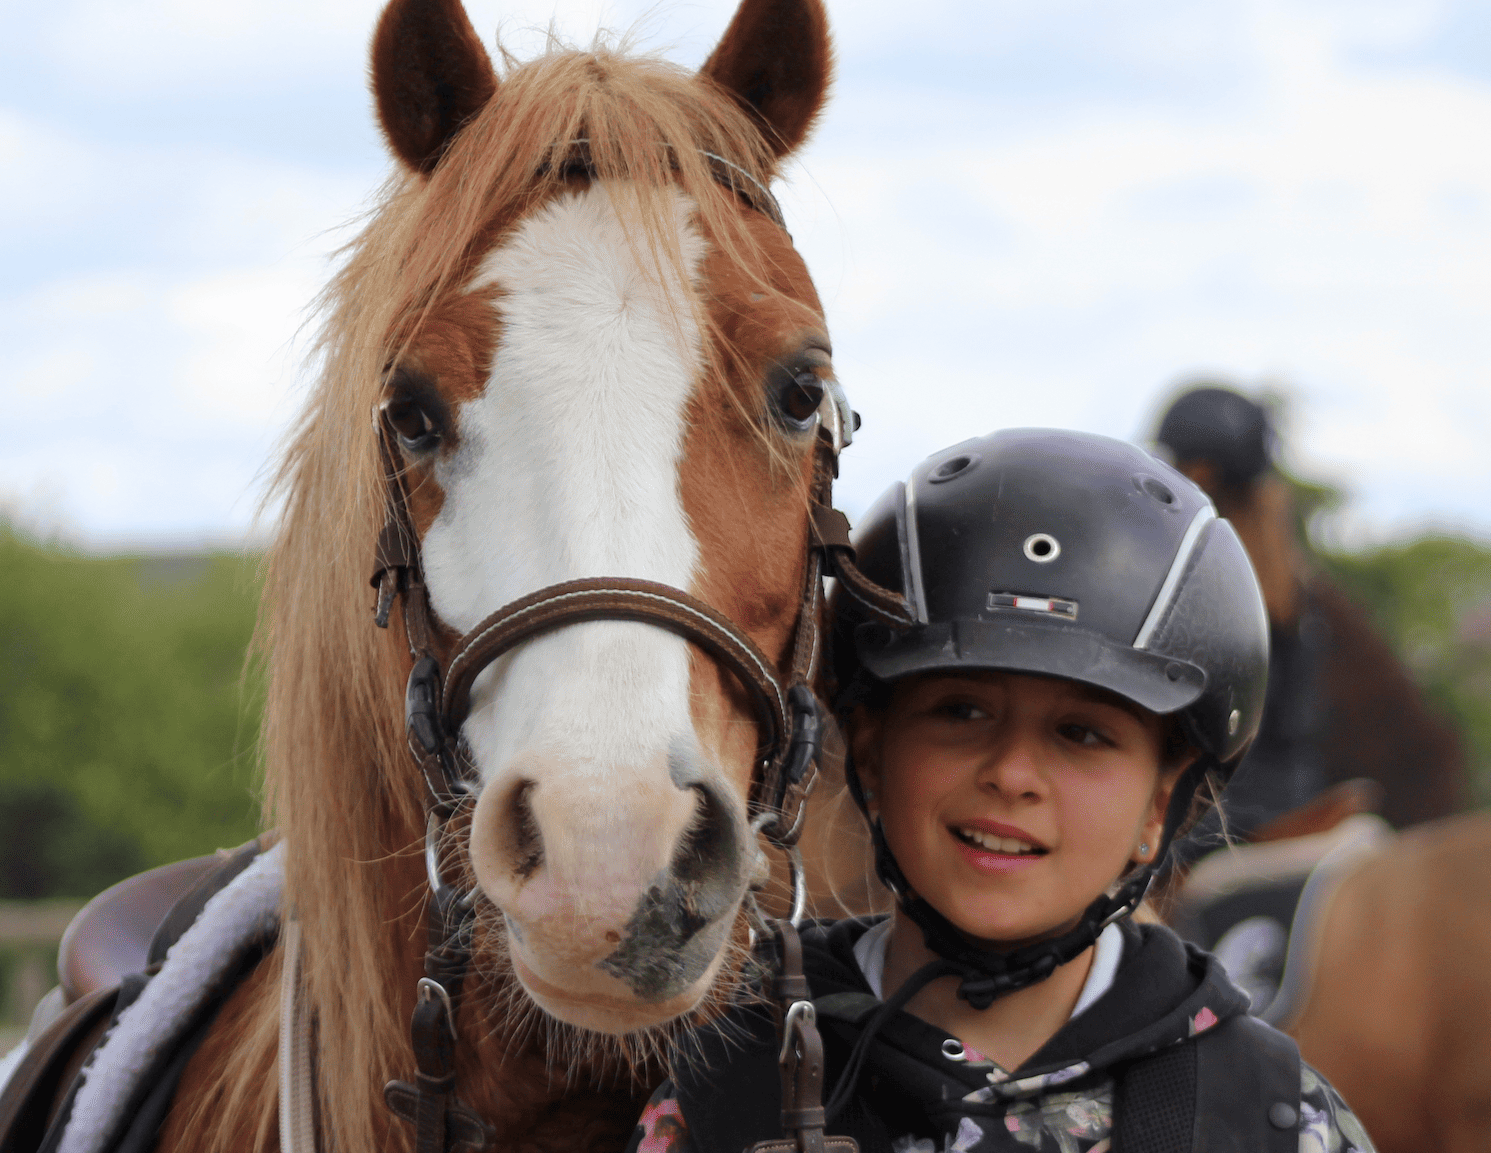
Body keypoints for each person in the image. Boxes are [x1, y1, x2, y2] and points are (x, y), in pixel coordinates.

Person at [628, 428, 1373, 1153]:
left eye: (1082, 733)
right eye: (962, 711)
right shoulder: (719, 1093)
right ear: (872, 751)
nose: (1013, 775)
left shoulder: (1280, 1123)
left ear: (1159, 804)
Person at [1154, 386, 1467, 839]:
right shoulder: (1302, 594)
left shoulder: (1197, 592)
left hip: (1214, 822)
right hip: (1293, 804)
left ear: (1197, 472)